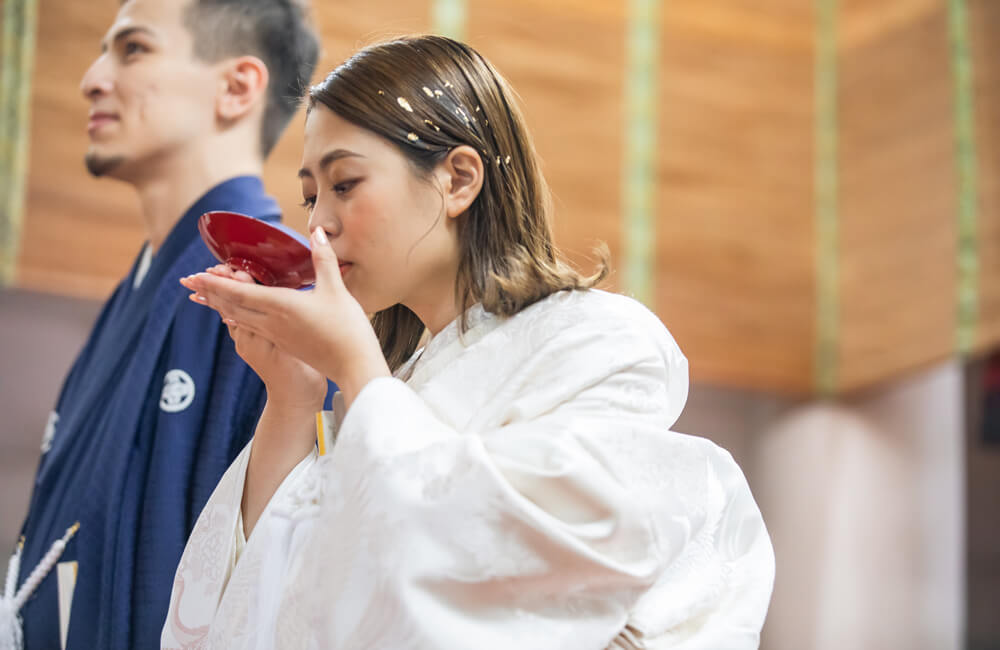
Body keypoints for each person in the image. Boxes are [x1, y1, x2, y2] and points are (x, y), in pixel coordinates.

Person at [165, 35, 775, 649]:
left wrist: (355, 366)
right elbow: (275, 599)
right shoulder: (390, 388)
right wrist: (292, 396)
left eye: (344, 183)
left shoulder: (598, 339)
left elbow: (530, 578)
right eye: (309, 196)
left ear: (458, 179)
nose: (318, 223)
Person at [3, 1, 318, 648]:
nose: (93, 77)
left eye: (133, 49)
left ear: (237, 88)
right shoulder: (144, 282)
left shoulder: (281, 288)